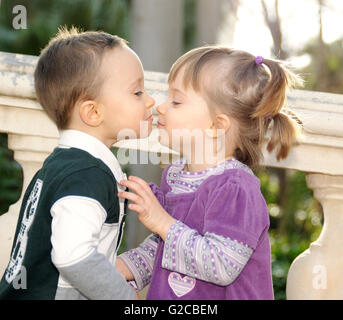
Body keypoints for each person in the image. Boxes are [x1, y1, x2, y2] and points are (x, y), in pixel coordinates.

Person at [116, 46, 302, 300]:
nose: (160, 107)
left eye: (176, 101)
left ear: (216, 126)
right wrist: (118, 268)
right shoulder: (176, 177)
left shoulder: (235, 188)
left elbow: (221, 265)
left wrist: (161, 221)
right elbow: (164, 248)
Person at [0, 27, 155, 300]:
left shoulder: (62, 165)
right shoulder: (86, 175)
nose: (151, 100)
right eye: (137, 92)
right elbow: (74, 255)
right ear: (93, 112)